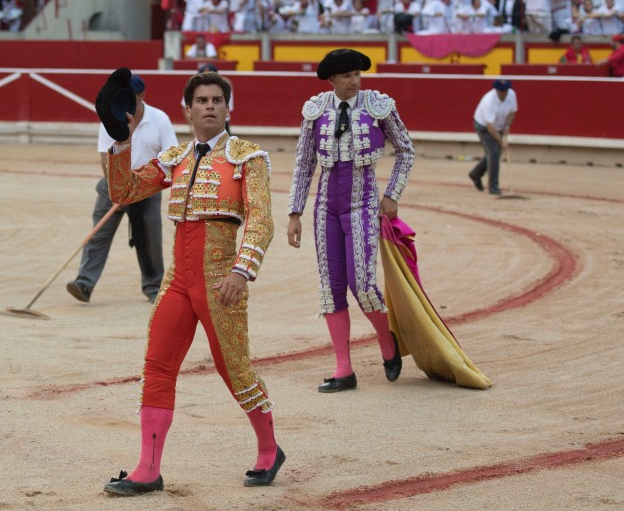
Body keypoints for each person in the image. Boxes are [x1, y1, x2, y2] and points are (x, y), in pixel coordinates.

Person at [103, 70, 283, 495]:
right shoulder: (176, 157)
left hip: (221, 280)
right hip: (178, 280)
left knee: (234, 368)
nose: (209, 106)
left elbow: (261, 220)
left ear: (227, 108)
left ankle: (269, 449)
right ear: (187, 110)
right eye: (201, 100)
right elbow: (124, 191)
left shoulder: (248, 157)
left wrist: (241, 270)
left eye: (217, 100)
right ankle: (148, 468)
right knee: (157, 366)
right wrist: (122, 141)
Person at [286, 49, 415, 393]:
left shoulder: (378, 106)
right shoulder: (315, 110)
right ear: (332, 79)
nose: (354, 81)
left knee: (363, 284)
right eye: (346, 76)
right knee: (331, 288)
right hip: (326, 207)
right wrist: (295, 213)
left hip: (363, 203)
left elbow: (406, 150)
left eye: (357, 74)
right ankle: (344, 369)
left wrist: (392, 194)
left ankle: (387, 344)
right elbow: (304, 163)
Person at [66, 75, 178, 303]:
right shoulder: (110, 118)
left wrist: (141, 185)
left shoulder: (159, 119)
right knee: (98, 235)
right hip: (112, 184)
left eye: (131, 96)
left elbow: (171, 156)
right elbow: (104, 157)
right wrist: (116, 190)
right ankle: (84, 283)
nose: (126, 101)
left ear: (141, 96)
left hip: (146, 188)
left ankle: (154, 287)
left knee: (150, 240)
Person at [468, 79, 518, 196]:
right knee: (494, 153)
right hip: (484, 127)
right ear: (496, 90)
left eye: (505, 90)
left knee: (492, 153)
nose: (504, 93)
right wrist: (501, 142)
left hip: (499, 126)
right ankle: (493, 186)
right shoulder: (489, 101)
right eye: (501, 91)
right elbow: (490, 126)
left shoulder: (511, 95)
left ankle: (475, 174)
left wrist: (507, 125)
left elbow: (512, 112)